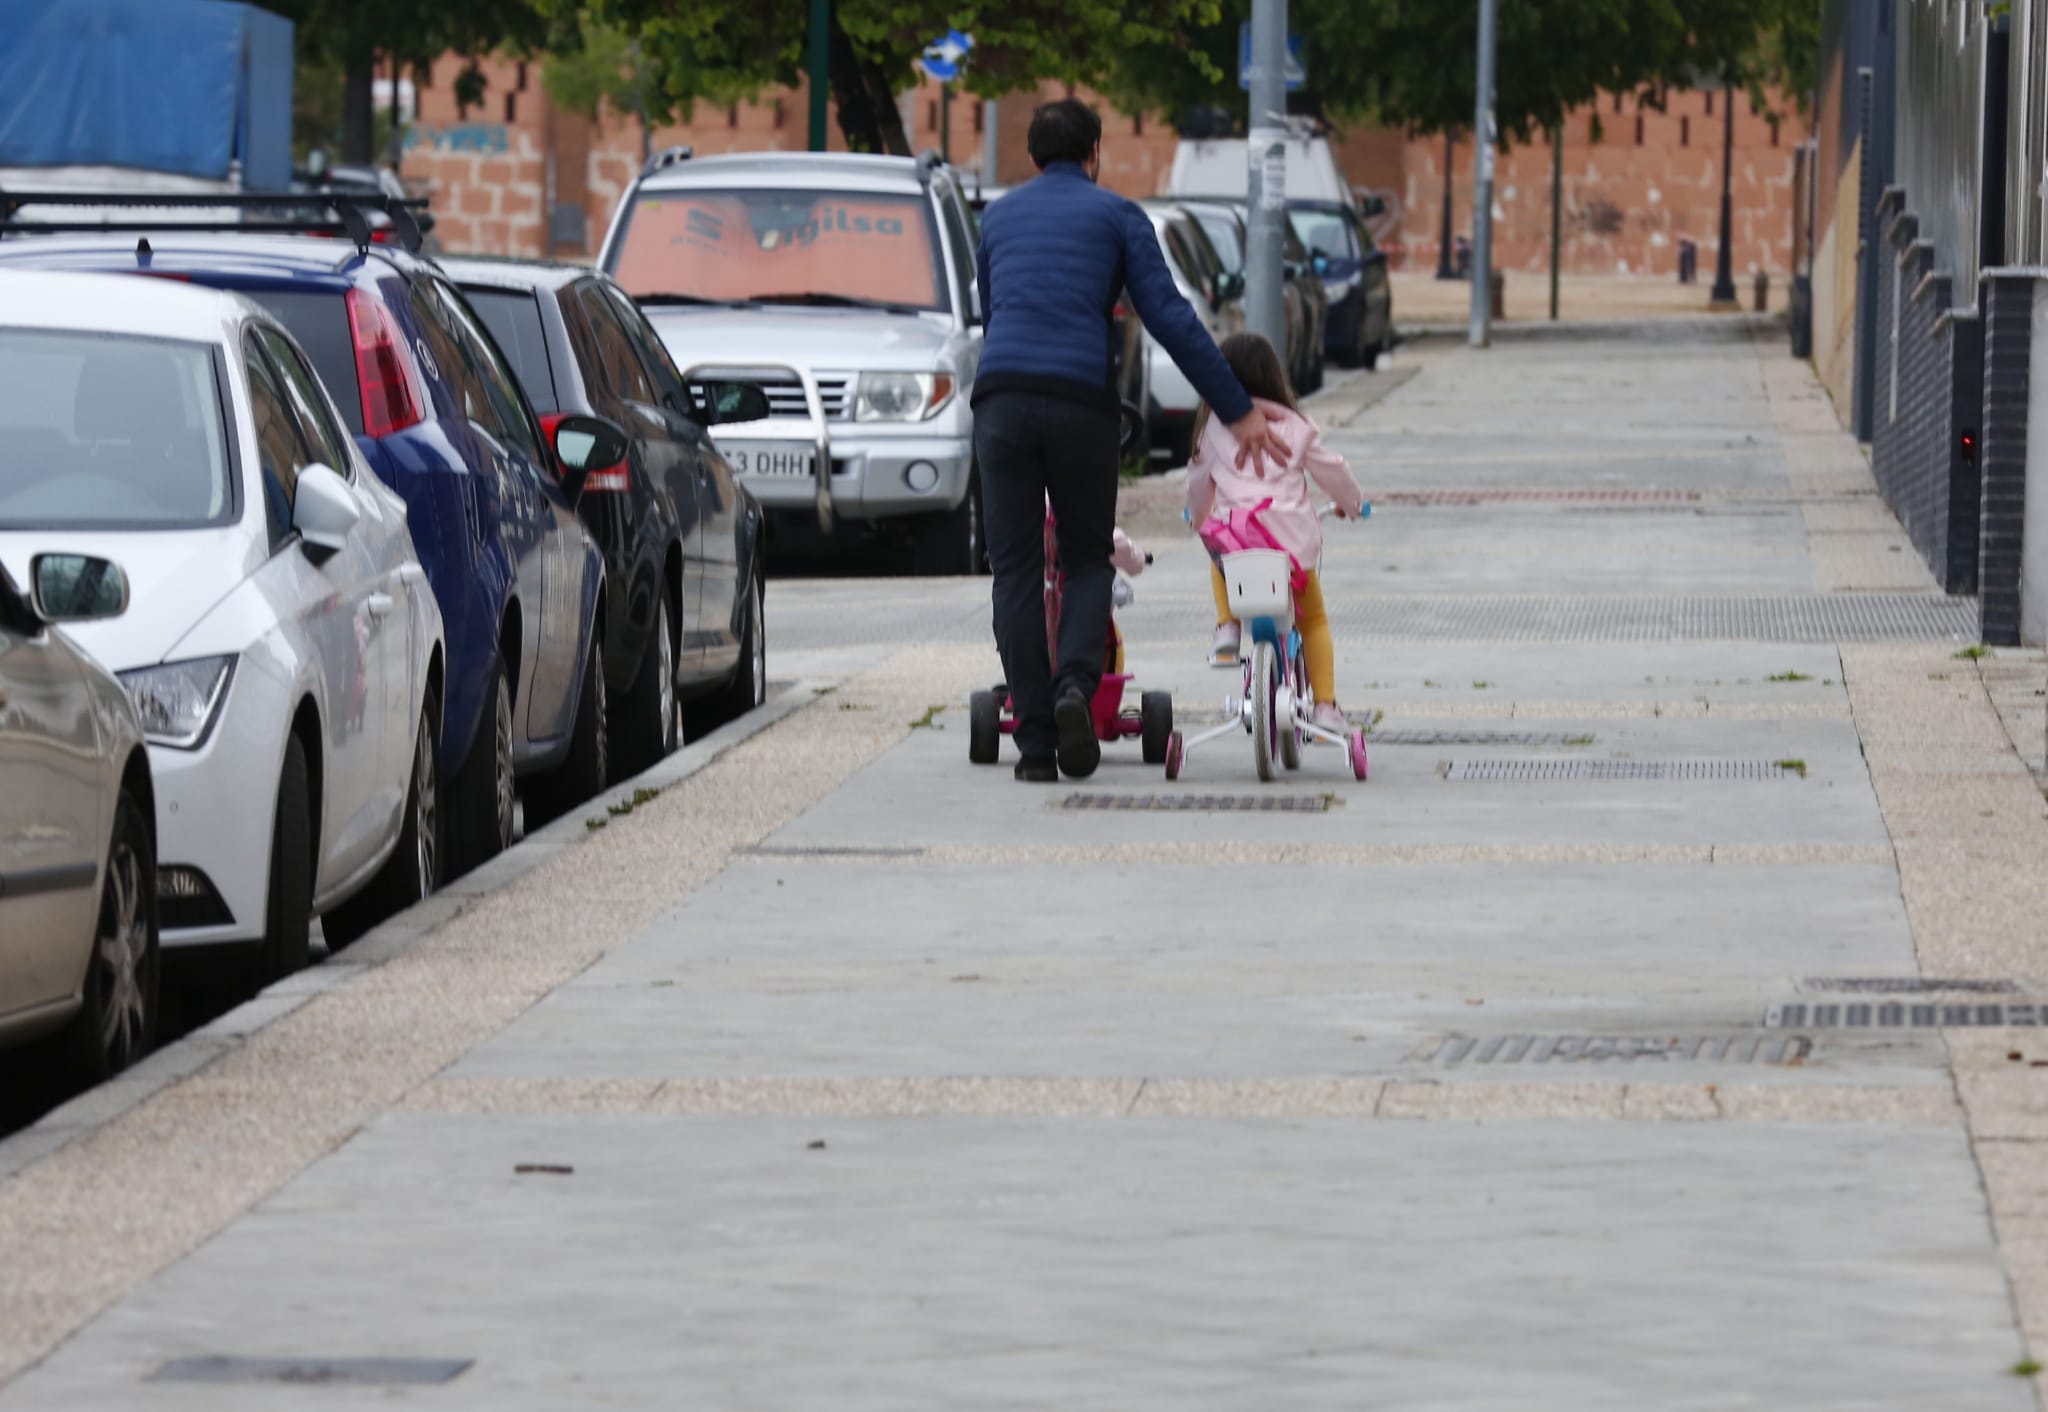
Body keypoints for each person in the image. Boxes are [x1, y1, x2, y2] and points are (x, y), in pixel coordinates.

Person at [974, 97, 1285, 783]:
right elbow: (1170, 317)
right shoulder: (1117, 217)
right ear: (1095, 155)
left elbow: (992, 311)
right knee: (1087, 559)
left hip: (1002, 402)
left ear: (1031, 158)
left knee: (1018, 569)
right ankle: (1075, 693)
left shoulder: (996, 218)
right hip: (1080, 404)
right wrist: (1237, 408)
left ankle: (1032, 747)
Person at [1187, 331, 1366, 734]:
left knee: (1219, 552)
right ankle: (1324, 706)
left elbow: (1198, 484)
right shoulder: (1297, 427)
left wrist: (1199, 519)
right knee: (1314, 620)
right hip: (1291, 554)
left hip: (1240, 549)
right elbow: (1332, 470)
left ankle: (1227, 626)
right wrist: (1351, 504)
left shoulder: (1213, 430)